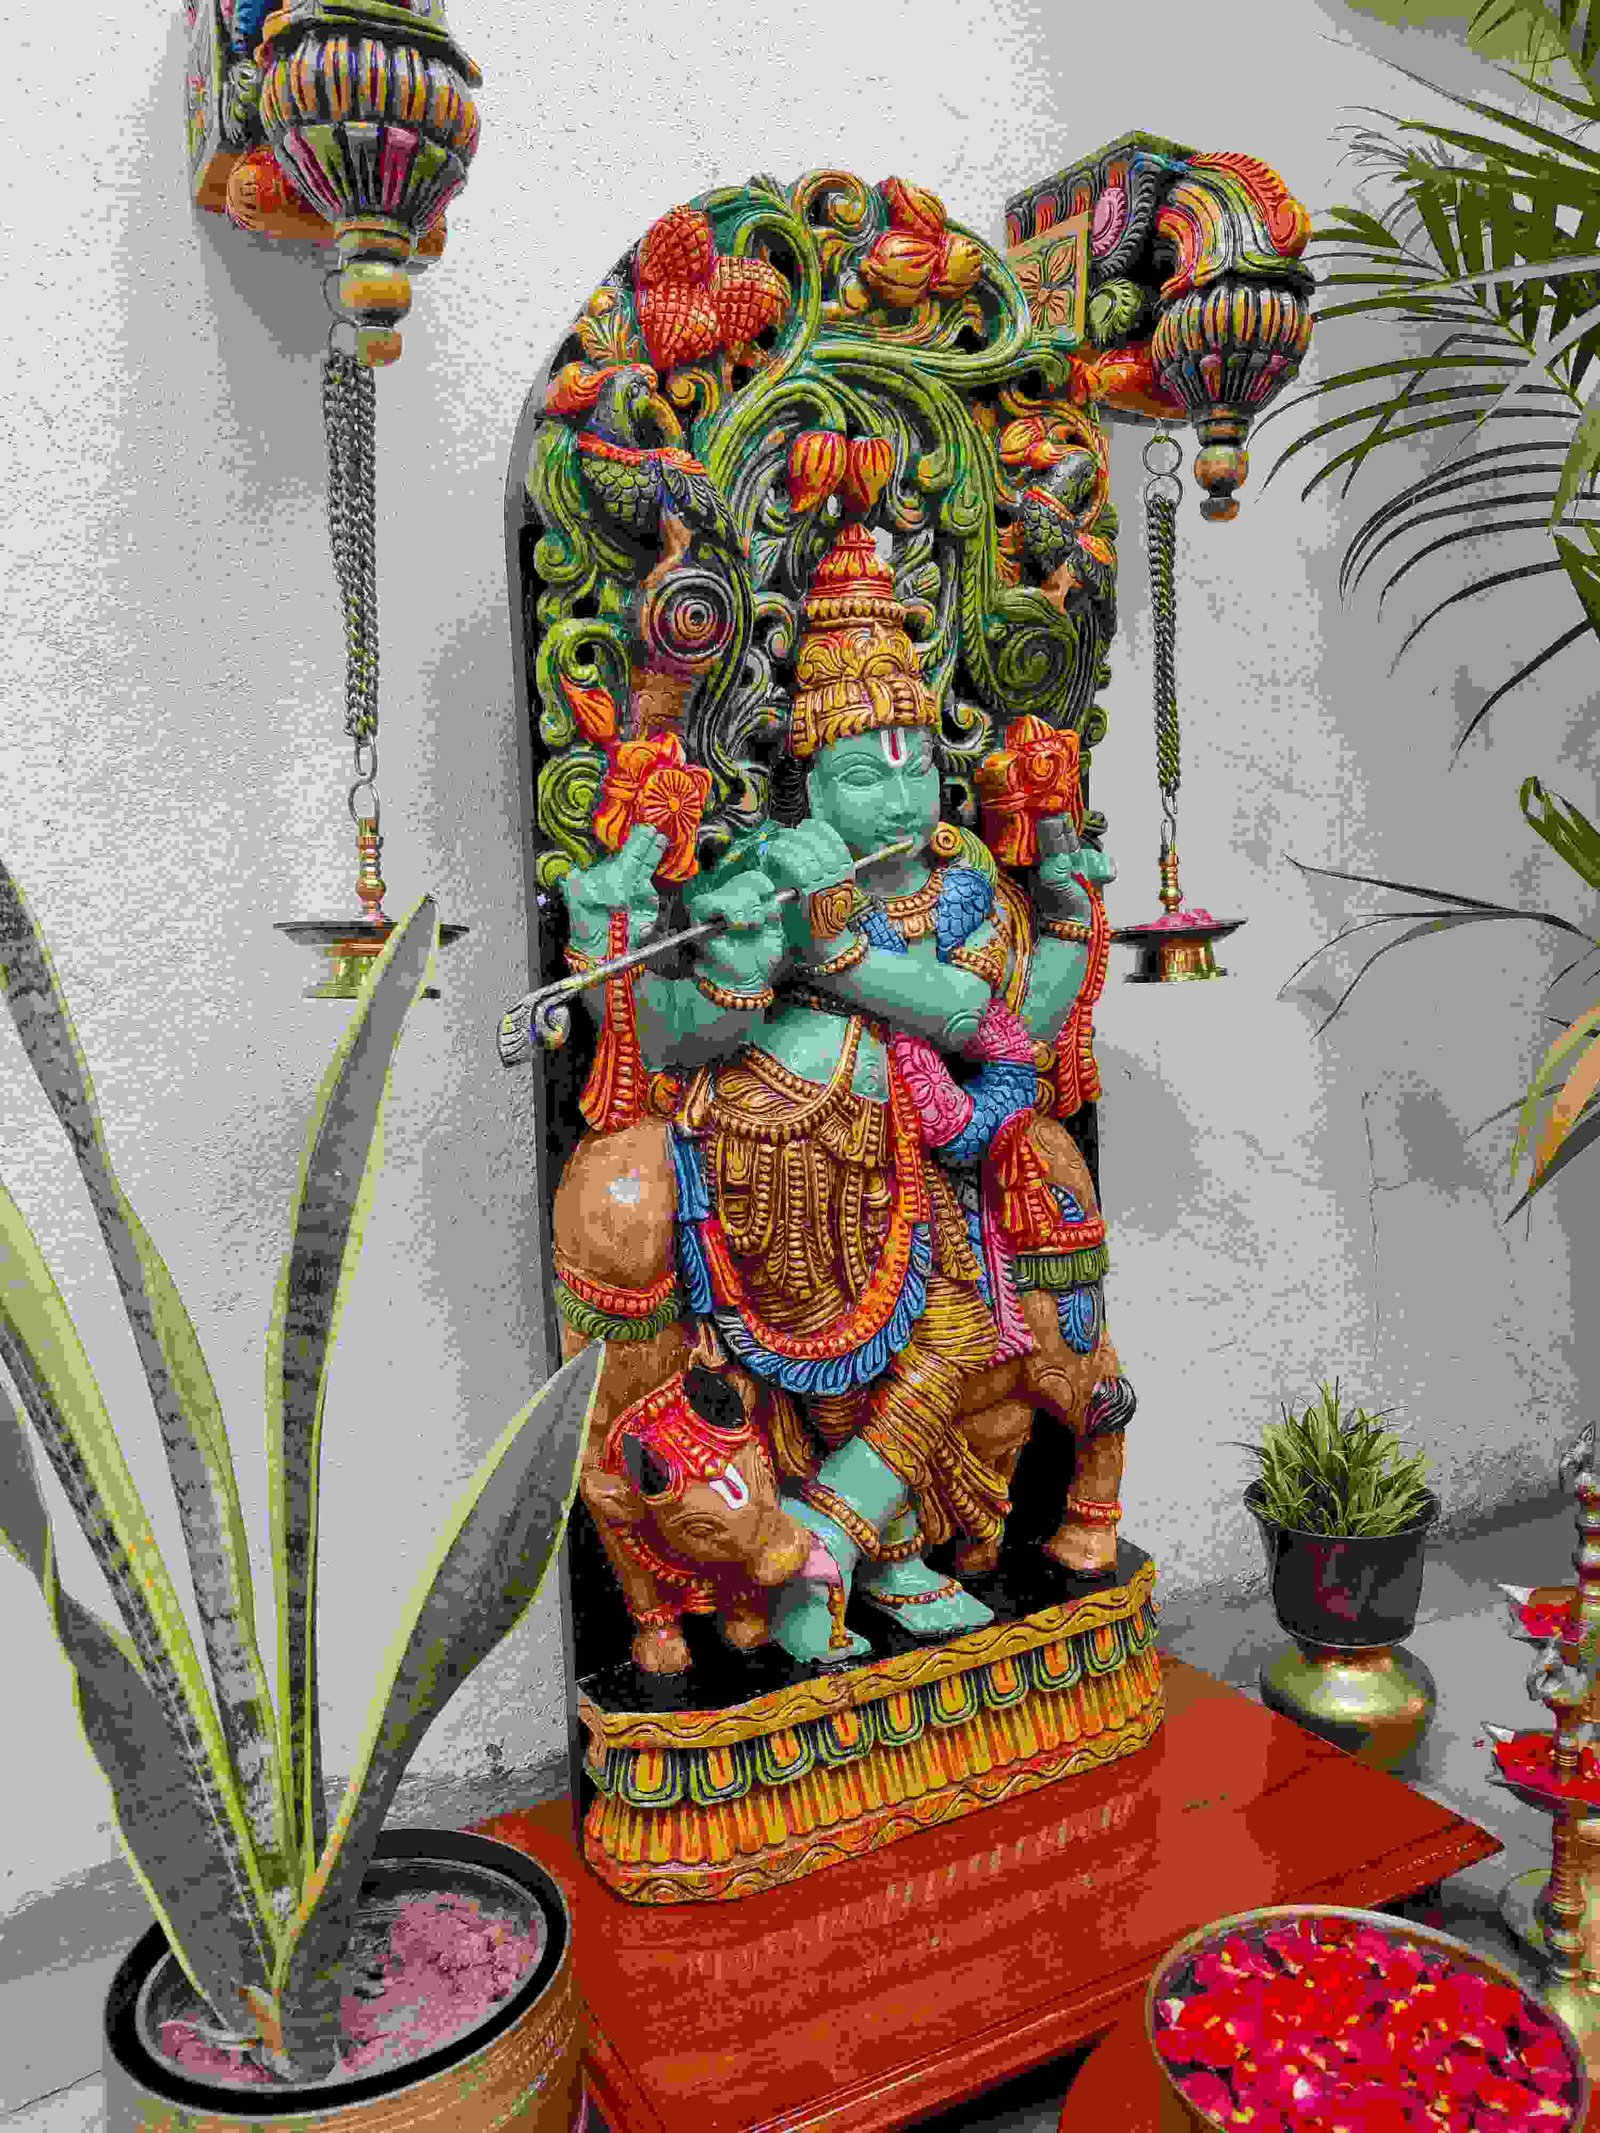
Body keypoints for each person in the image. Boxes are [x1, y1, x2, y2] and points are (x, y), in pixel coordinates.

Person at [562, 521, 1114, 1663]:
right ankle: (848, 1553)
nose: (901, 801)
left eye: (919, 770)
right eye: (865, 775)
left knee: (955, 1341)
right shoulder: (771, 863)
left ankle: (836, 1539)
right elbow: (680, 1033)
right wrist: (741, 947)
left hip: (932, 1158)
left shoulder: (962, 878)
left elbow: (982, 1015)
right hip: (770, 1173)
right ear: (807, 781)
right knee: (814, 1349)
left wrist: (848, 945)